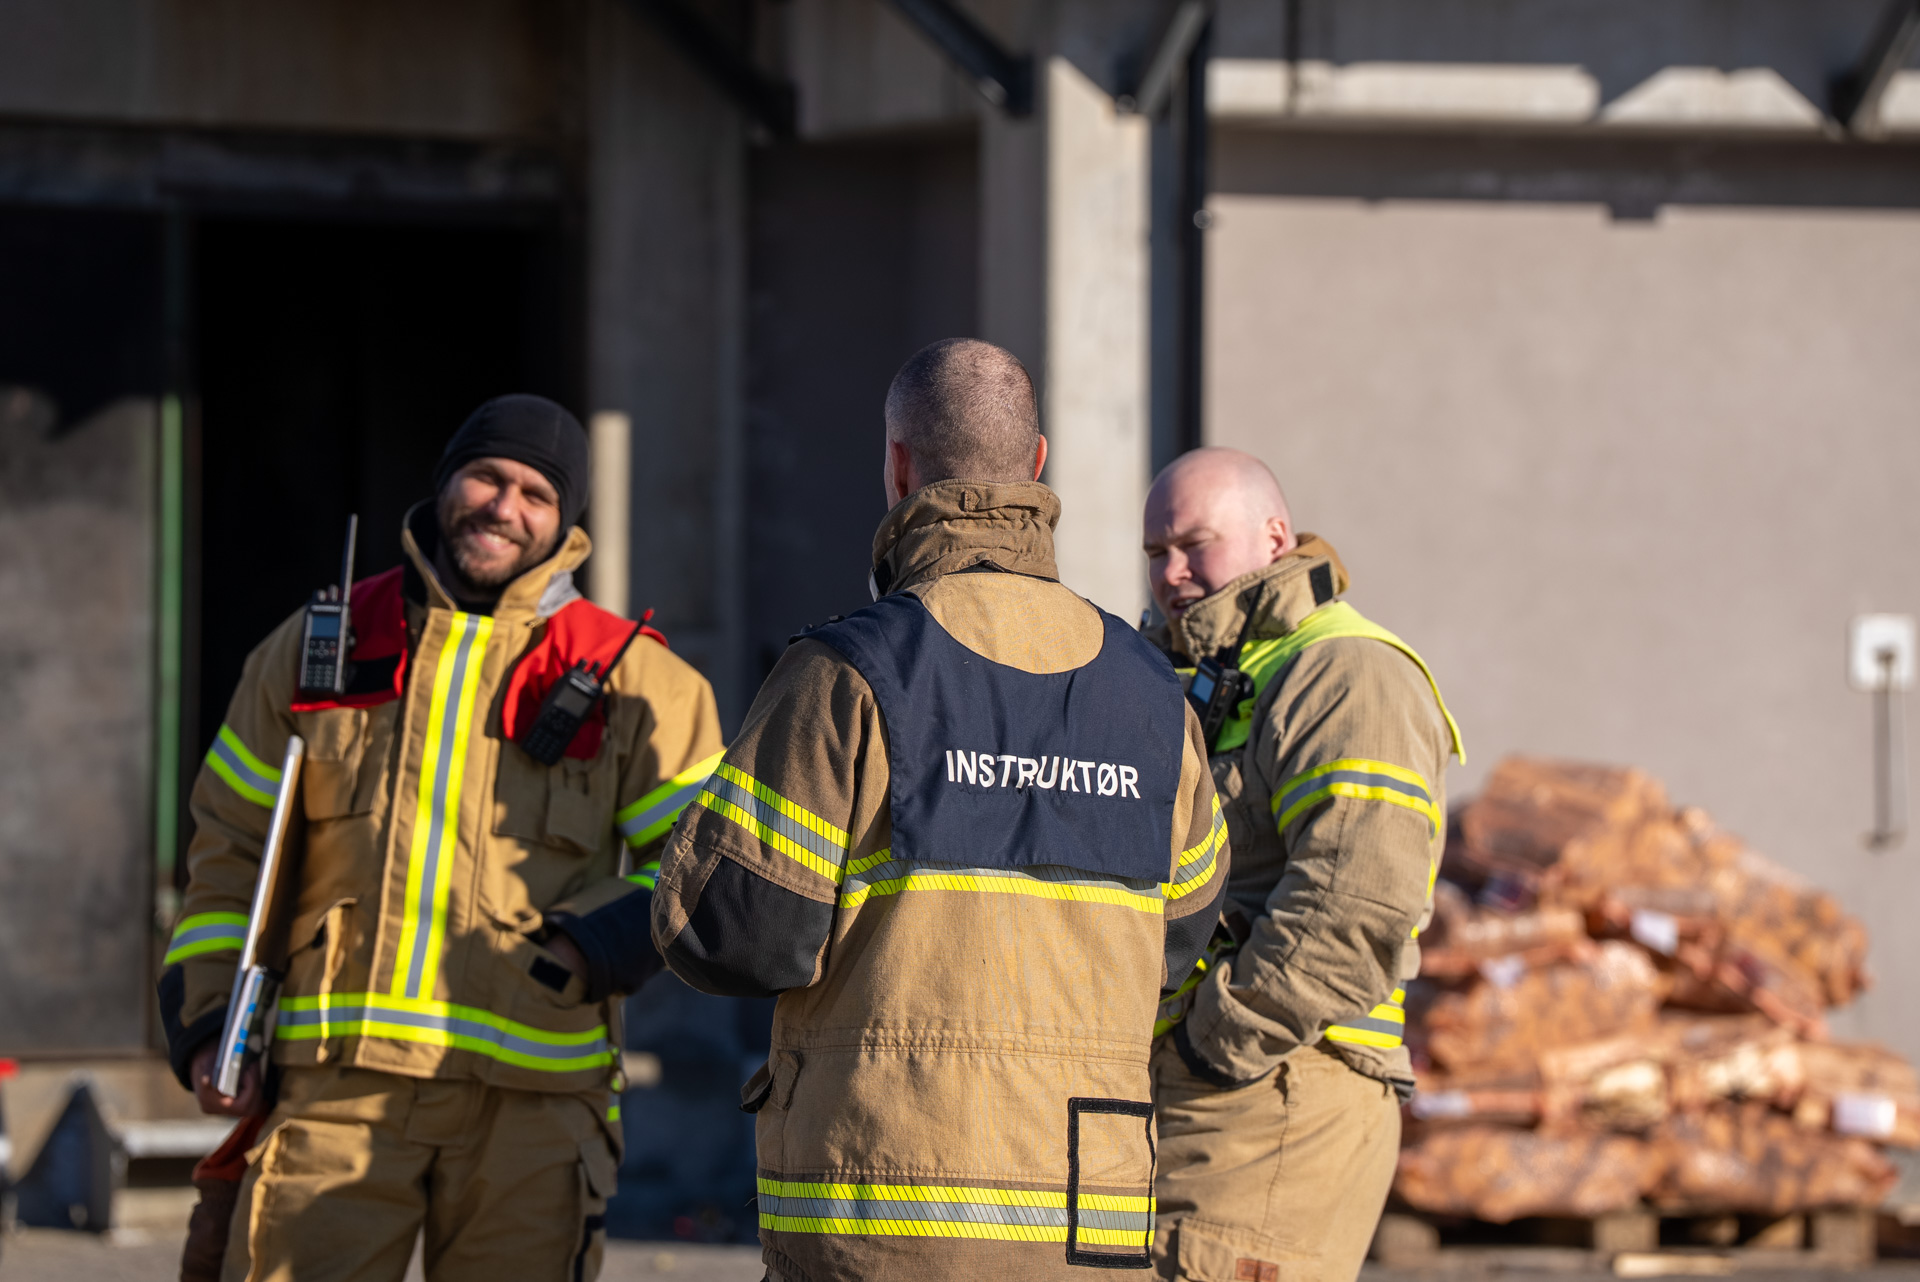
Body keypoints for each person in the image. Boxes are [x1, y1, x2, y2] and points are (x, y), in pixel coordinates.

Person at [652, 339, 1229, 1281]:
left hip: (884, 1205)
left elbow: (733, 936)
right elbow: (1182, 931)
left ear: (898, 466)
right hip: (1093, 1216)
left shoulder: (849, 671)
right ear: (1037, 464)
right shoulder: (1154, 693)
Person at [159, 394, 724, 1282]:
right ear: (446, 482)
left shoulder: (638, 680)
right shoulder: (323, 647)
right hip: (334, 1093)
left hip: (534, 1109)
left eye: (537, 493)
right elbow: (229, 846)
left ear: (566, 522)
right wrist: (205, 1025)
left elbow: (702, 866)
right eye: (488, 477)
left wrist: (584, 946)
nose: (506, 506)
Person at [1140, 448, 1463, 1282]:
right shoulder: (1196, 681)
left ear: (1274, 536)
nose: (1173, 574)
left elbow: (1358, 903)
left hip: (1283, 1086)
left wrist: (1216, 1042)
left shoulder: (1346, 674)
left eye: (1194, 545)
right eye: (1155, 554)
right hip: (1194, 1091)